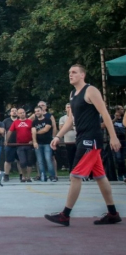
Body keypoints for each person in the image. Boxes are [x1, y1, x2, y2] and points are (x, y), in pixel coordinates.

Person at [45, 64, 122, 226]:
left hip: (91, 139)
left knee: (75, 176)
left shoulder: (91, 90)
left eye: (74, 72)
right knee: (100, 177)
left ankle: (65, 215)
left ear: (82, 75)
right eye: (69, 72)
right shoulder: (73, 94)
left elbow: (105, 114)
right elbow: (71, 120)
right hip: (81, 138)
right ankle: (113, 213)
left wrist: (113, 136)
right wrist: (58, 136)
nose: (70, 75)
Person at [8, 108, 34, 182]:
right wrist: (6, 141)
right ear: (18, 114)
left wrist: (33, 140)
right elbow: (10, 131)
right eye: (20, 113)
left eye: (23, 112)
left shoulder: (30, 122)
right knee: (22, 162)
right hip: (20, 145)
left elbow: (34, 132)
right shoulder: (15, 122)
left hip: (29, 144)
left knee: (29, 161)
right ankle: (23, 176)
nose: (22, 114)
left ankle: (28, 177)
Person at [31, 106, 57, 182]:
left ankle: (52, 176)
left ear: (42, 111)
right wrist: (35, 142)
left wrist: (36, 132)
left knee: (48, 159)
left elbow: (46, 129)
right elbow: (33, 132)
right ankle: (43, 176)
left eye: (38, 111)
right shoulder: (34, 122)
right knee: (40, 161)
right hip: (38, 144)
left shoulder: (48, 120)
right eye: (35, 111)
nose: (37, 112)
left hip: (47, 143)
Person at [3, 107, 22, 182]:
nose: (14, 112)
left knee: (20, 160)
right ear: (10, 113)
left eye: (15, 111)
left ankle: (21, 175)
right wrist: (5, 140)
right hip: (9, 144)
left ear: (17, 113)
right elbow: (3, 131)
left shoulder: (20, 120)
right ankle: (6, 175)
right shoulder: (6, 121)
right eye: (12, 111)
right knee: (8, 161)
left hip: (19, 143)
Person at [59, 103, 76, 171]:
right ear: (65, 109)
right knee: (70, 157)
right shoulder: (62, 118)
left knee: (78, 157)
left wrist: (67, 127)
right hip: (68, 141)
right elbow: (61, 128)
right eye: (68, 107)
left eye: (70, 107)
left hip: (77, 140)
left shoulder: (77, 117)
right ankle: (71, 172)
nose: (69, 109)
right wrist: (72, 127)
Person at [112, 107, 125, 181]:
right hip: (116, 140)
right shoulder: (112, 117)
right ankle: (120, 175)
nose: (122, 110)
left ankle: (123, 174)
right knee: (118, 158)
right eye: (121, 109)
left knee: (122, 158)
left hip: (124, 140)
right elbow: (109, 124)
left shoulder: (124, 118)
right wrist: (115, 118)